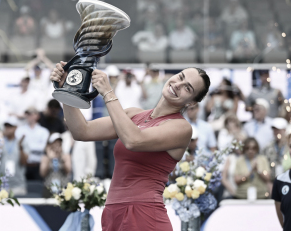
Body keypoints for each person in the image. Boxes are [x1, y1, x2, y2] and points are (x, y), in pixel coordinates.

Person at [51, 60, 210, 231]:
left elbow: (134, 140)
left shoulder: (181, 127)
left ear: (191, 103)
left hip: (143, 215)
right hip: (113, 213)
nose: (178, 84)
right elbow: (82, 131)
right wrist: (66, 90)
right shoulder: (134, 114)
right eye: (180, 77)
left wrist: (108, 91)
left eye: (187, 88)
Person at [15, 107, 49, 180]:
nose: (29, 116)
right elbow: (17, 146)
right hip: (23, 164)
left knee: (37, 188)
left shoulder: (44, 131)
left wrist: (25, 147)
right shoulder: (20, 130)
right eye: (27, 114)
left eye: (31, 114)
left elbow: (43, 147)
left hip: (37, 165)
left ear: (37, 116)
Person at [0, 117, 29, 196]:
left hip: (18, 186)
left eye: (10, 126)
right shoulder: (0, 141)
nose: (8, 129)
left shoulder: (22, 142)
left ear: (15, 128)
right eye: (6, 126)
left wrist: (20, 148)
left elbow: (24, 162)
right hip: (1, 186)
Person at [40, 133, 71, 198]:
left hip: (63, 188)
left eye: (59, 143)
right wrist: (49, 158)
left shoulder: (65, 156)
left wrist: (62, 158)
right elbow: (43, 173)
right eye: (55, 143)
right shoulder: (45, 157)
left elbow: (68, 171)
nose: (57, 145)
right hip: (49, 188)